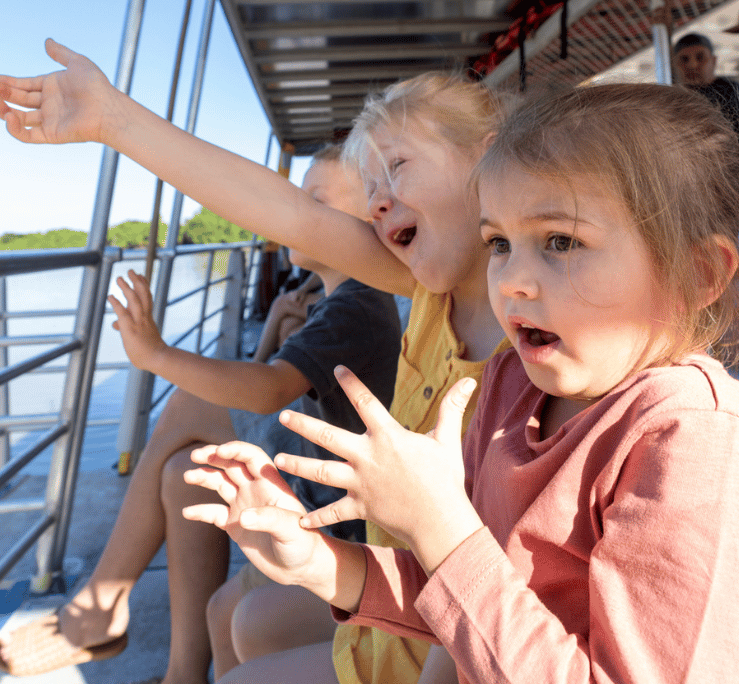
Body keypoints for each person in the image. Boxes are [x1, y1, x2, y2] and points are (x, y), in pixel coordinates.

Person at [185, 83, 739, 684]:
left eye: (560, 241)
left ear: (695, 275)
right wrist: (320, 562)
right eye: (499, 244)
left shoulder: (694, 443)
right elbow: (462, 600)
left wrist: (439, 527)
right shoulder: (510, 386)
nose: (512, 279)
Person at [0, 40, 510, 684]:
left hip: (451, 630)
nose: (379, 203)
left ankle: (109, 611)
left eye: (399, 167)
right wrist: (114, 122)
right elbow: (288, 213)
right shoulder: (432, 295)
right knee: (243, 622)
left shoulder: (542, 342)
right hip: (392, 594)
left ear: (490, 153)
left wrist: (156, 355)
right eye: (371, 188)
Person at [0, 144, 402, 683]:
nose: (288, 213)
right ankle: (181, 674)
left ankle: (101, 604)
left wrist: (157, 355)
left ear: (365, 219)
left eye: (313, 201)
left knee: (190, 403)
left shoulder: (360, 300)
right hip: (315, 476)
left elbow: (265, 391)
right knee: (182, 473)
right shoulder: (336, 297)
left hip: (337, 510)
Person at [672, 31, 739, 157]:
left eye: (700, 57)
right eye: (684, 59)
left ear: (714, 61)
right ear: (675, 65)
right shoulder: (675, 98)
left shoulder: (729, 91)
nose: (692, 65)